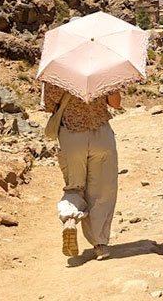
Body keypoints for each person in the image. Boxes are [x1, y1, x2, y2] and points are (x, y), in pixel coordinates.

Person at [43, 82, 122, 260]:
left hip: (72, 135)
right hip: (101, 134)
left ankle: (69, 217)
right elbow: (116, 104)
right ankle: (100, 243)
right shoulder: (103, 71)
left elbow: (48, 105)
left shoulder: (57, 73)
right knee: (103, 189)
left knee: (75, 186)